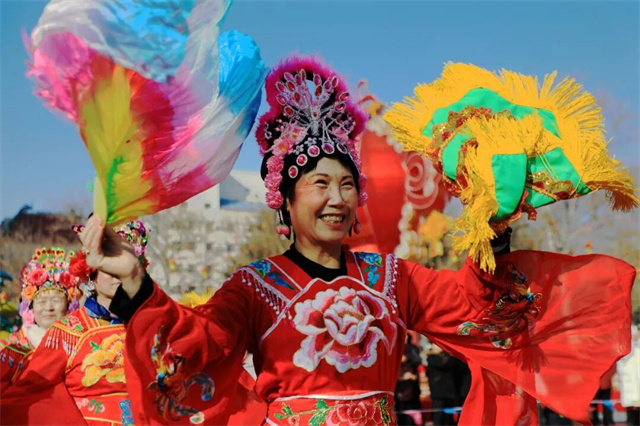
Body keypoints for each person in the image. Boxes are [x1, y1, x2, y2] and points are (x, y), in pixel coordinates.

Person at [74, 56, 634, 426]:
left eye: (347, 184)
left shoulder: (392, 276)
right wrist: (136, 281)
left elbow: (473, 311)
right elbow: (200, 347)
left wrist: (492, 230)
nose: (337, 198)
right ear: (285, 200)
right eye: (319, 184)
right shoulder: (253, 286)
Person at [1, 222, 148, 425]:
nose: (119, 275)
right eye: (109, 267)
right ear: (91, 274)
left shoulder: (152, 326)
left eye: (127, 267)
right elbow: (30, 393)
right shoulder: (67, 332)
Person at [0, 247, 81, 388]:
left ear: (69, 305)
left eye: (56, 301)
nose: (49, 308)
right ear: (31, 307)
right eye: (42, 302)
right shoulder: (9, 347)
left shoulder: (80, 343)